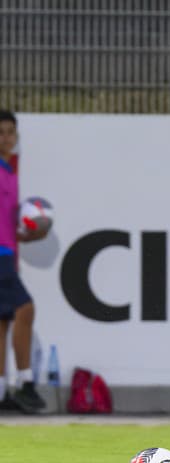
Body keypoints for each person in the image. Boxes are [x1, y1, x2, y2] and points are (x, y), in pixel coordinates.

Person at [0, 110, 47, 414]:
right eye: (0, 132)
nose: (5, 137)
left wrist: (26, 235)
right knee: (25, 308)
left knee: (3, 323)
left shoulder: (10, 171)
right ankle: (27, 384)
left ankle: (3, 392)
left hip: (7, 253)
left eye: (10, 132)